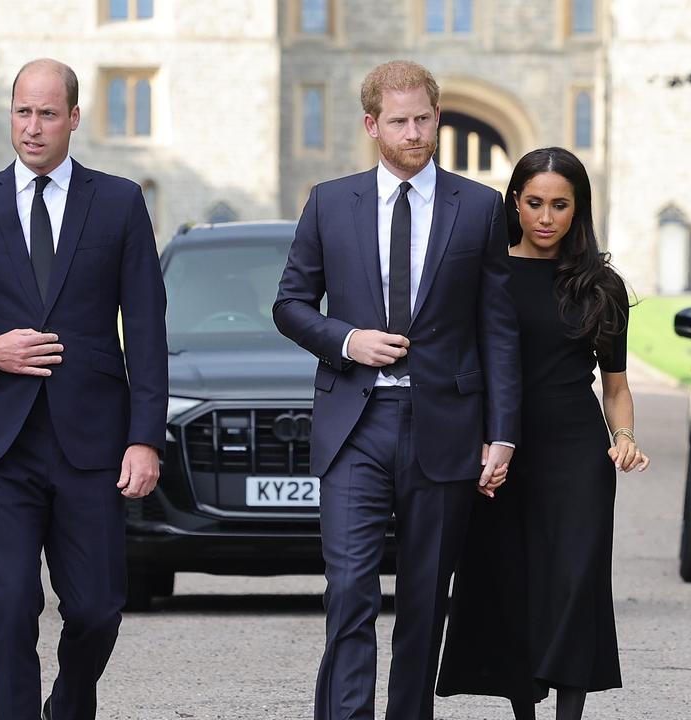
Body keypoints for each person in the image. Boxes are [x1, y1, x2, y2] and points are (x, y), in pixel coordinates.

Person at [0, 58, 167, 720]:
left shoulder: (119, 202)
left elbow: (146, 328)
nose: (33, 126)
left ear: (74, 118)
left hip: (93, 444)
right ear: (10, 115)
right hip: (1, 445)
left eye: (49, 113)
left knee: (98, 609)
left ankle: (68, 706)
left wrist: (144, 439)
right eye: (23, 112)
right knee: (10, 604)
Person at [273, 60, 521, 720]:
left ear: (438, 117)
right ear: (371, 125)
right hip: (356, 423)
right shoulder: (330, 202)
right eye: (400, 121)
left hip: (446, 425)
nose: (414, 133)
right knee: (350, 590)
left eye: (424, 119)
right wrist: (349, 341)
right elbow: (290, 304)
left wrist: (502, 433)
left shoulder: (478, 206)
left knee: (423, 599)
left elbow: (497, 330)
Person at [437, 147, 650, 720]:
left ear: (578, 210)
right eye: (534, 203)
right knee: (511, 581)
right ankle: (523, 711)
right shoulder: (487, 274)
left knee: (575, 584)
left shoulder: (600, 285)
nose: (547, 217)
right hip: (500, 448)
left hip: (577, 455)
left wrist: (624, 435)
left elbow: (616, 384)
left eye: (560, 205)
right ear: (514, 202)